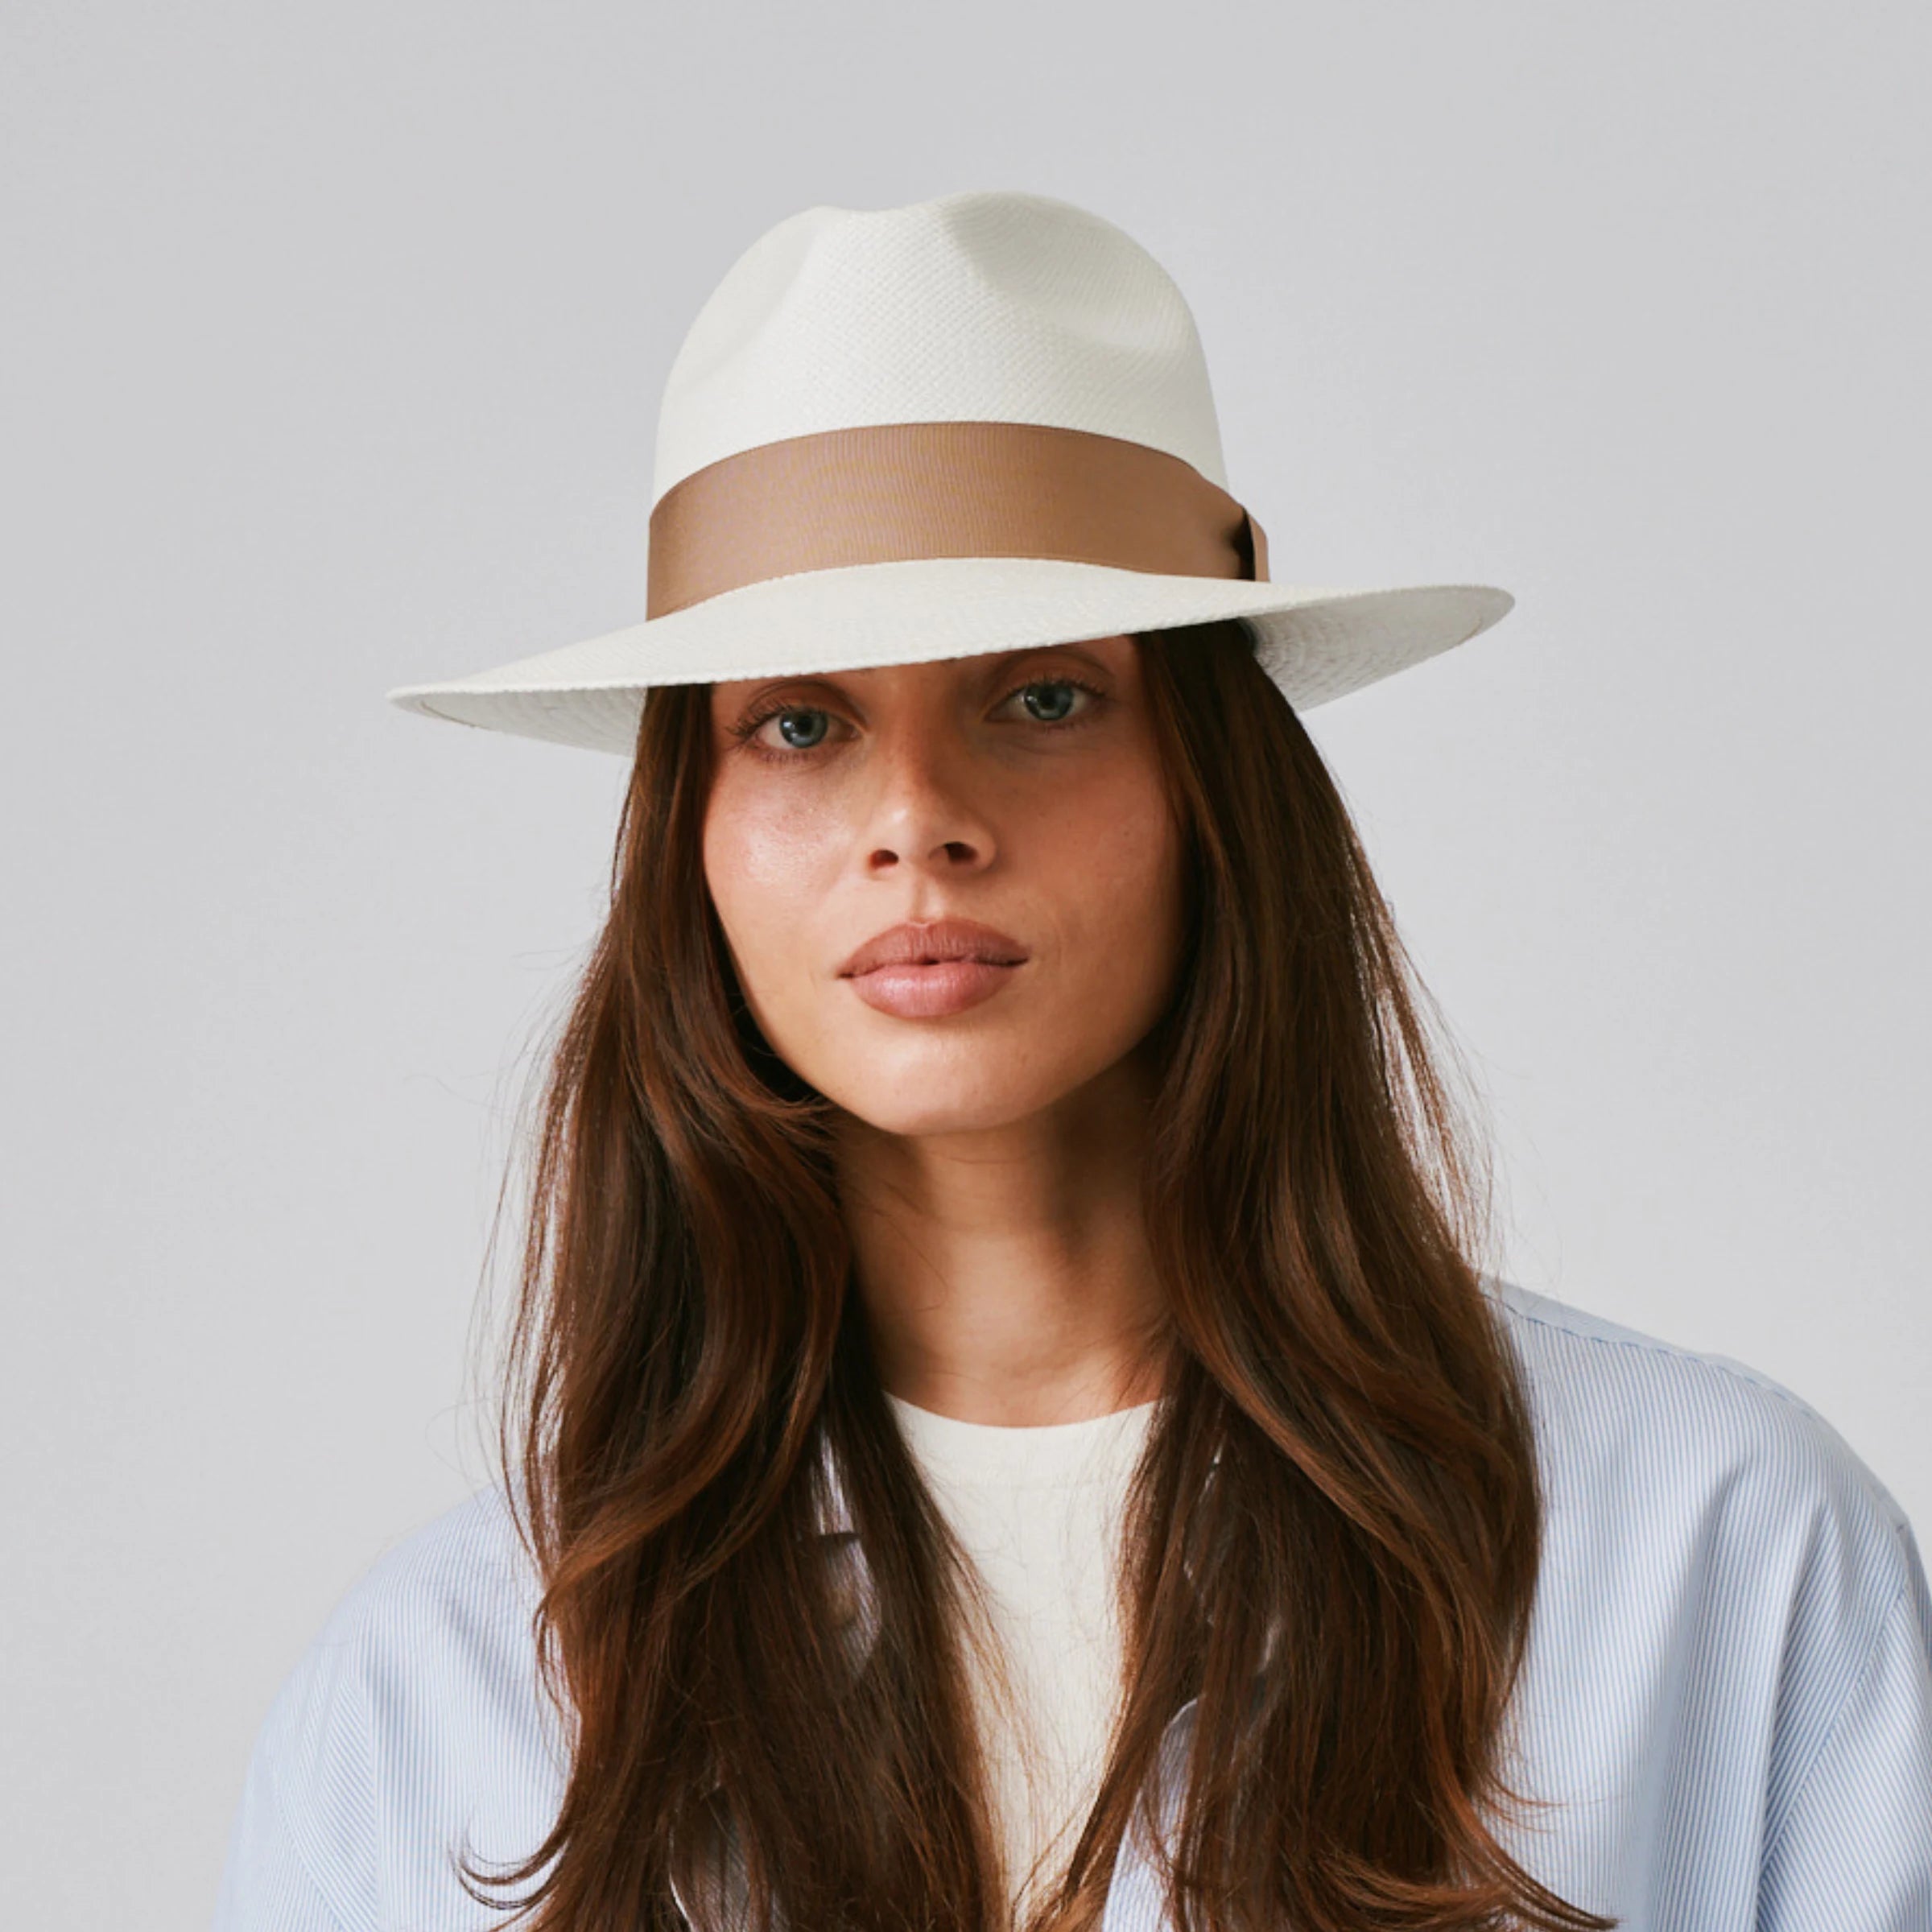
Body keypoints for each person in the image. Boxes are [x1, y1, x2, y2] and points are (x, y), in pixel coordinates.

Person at [211, 190, 1932, 1932]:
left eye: (1041, 696)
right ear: (691, 838)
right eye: (799, 722)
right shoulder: (432, 1705)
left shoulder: (1717, 1556)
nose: (918, 822)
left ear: (1212, 778)